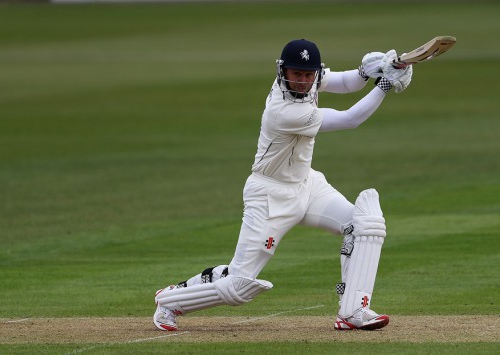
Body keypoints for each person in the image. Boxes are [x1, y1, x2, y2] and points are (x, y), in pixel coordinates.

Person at [153, 39, 412, 331]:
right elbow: (350, 119)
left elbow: (343, 82)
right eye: (295, 74)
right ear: (282, 71)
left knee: (366, 223)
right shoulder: (283, 111)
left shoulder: (310, 81)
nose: (302, 81)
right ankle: (171, 301)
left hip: (307, 184)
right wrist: (385, 85)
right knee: (239, 285)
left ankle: (353, 311)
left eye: (307, 75)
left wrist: (368, 72)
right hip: (269, 196)